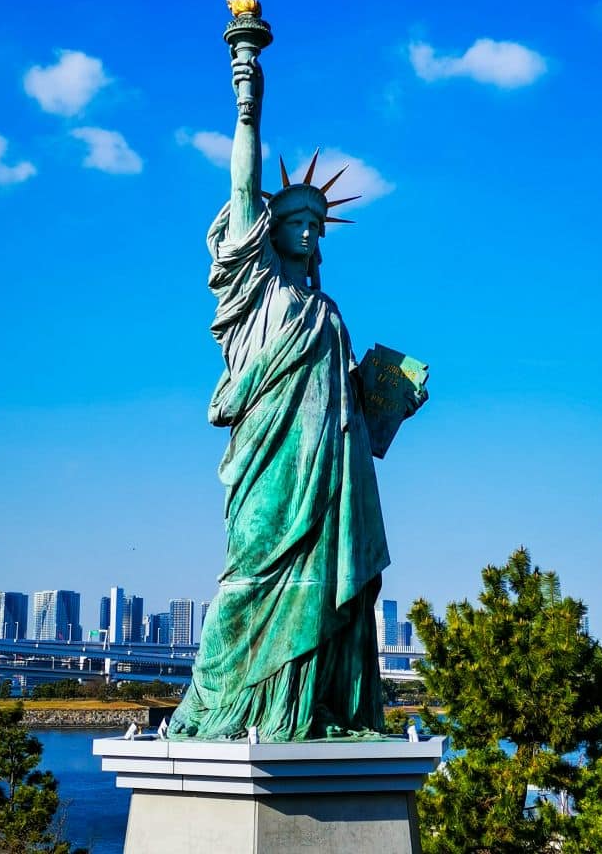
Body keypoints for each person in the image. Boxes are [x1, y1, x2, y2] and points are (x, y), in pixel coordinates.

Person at [168, 54, 426, 742]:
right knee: (250, 574)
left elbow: (354, 413)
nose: (311, 230)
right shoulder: (254, 296)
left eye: (318, 223)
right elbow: (244, 184)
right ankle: (224, 706)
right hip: (269, 466)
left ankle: (314, 711)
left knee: (323, 591)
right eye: (299, 219)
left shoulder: (328, 312)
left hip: (332, 476)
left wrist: (389, 403)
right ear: (269, 231)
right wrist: (247, 104)